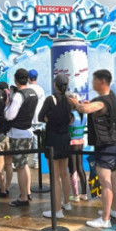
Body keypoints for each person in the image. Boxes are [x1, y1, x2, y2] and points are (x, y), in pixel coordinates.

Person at [71, 70, 116, 229]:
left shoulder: (102, 101)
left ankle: (105, 219)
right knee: (113, 176)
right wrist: (87, 104)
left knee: (105, 181)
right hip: (113, 142)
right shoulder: (111, 95)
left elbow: (87, 109)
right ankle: (114, 210)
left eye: (94, 80)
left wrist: (75, 104)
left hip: (105, 146)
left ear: (102, 82)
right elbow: (95, 107)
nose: (92, 83)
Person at [39, 74, 73, 219]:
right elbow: (71, 119)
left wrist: (50, 120)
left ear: (55, 85)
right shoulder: (69, 100)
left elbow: (40, 116)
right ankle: (67, 203)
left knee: (55, 176)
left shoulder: (50, 99)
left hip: (53, 139)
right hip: (65, 138)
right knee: (65, 173)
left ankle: (57, 210)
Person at [5, 68, 39, 207]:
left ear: (16, 79)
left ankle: (23, 197)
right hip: (28, 131)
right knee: (24, 165)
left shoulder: (19, 95)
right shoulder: (33, 93)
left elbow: (9, 116)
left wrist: (7, 105)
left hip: (18, 134)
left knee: (20, 167)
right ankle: (27, 192)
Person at [68, 107, 87, 201]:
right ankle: (84, 194)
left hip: (72, 143)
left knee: (73, 169)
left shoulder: (71, 115)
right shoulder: (84, 114)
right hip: (81, 143)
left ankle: (76, 196)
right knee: (80, 167)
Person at [28, 69, 45, 169]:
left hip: (28, 118)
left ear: (28, 78)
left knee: (26, 140)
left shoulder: (27, 89)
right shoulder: (41, 89)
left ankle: (23, 161)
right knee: (37, 141)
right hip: (38, 118)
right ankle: (36, 161)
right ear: (36, 78)